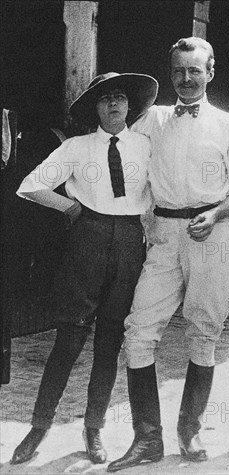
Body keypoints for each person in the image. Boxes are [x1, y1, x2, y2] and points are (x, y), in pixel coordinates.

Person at [107, 37, 229, 472]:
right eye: (178, 71)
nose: (186, 79)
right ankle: (146, 439)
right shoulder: (151, 119)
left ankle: (188, 430)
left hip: (213, 234)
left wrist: (214, 215)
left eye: (195, 71)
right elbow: (124, 158)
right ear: (170, 74)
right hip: (165, 236)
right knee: (138, 330)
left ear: (211, 73)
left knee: (203, 331)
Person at [10, 72, 158, 464]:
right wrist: (71, 207)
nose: (113, 105)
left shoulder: (146, 147)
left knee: (109, 342)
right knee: (69, 338)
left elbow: (165, 189)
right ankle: (38, 428)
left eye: (121, 98)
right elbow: (30, 184)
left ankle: (94, 430)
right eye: (105, 98)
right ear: (95, 107)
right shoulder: (77, 147)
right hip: (86, 241)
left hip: (129, 240)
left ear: (130, 106)